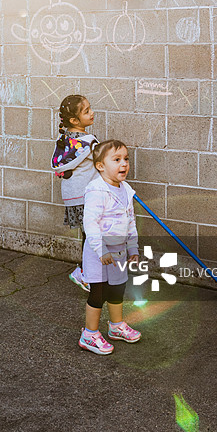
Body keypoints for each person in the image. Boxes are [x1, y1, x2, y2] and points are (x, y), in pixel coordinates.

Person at [78, 139, 141, 355]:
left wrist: (133, 248)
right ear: (100, 166)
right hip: (99, 254)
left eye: (126, 159)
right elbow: (90, 224)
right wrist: (101, 250)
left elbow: (130, 221)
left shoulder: (126, 190)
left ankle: (116, 326)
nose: (124, 164)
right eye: (116, 159)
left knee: (117, 290)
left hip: (119, 252)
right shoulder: (96, 190)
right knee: (98, 293)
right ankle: (89, 334)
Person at [51, 95, 99, 292]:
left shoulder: (64, 140)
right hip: (87, 197)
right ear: (74, 120)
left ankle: (87, 271)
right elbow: (103, 163)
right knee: (93, 237)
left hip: (73, 197)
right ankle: (85, 274)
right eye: (87, 111)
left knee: (89, 236)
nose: (92, 112)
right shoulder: (89, 143)